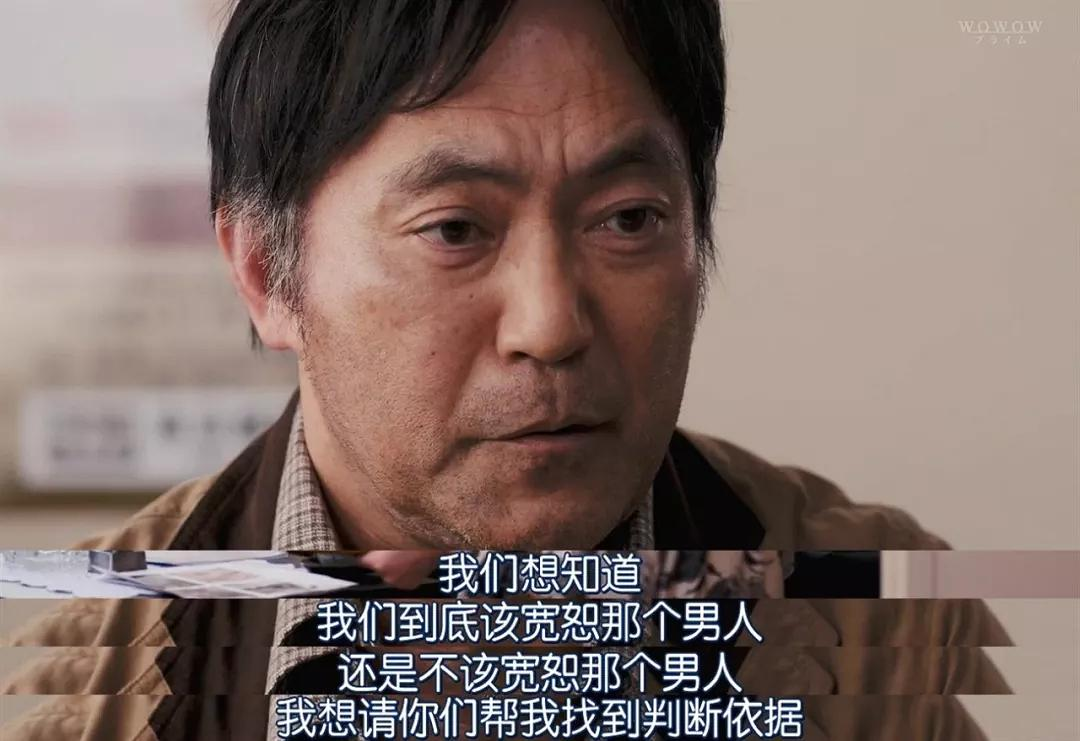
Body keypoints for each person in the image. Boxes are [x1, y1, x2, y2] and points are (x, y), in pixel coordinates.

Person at [0, 1, 1009, 739]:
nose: (550, 324)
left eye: (629, 220)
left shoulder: (877, 628)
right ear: (268, 274)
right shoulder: (82, 690)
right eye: (454, 230)